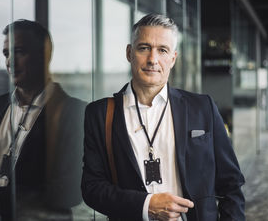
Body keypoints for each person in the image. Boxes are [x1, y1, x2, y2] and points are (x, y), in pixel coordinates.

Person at [81, 13, 245, 221]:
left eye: (162, 50)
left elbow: (231, 185)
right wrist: (146, 205)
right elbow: (92, 188)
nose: (152, 59)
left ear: (173, 58)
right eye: (144, 48)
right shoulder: (100, 114)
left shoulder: (203, 107)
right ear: (129, 53)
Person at [0, 19, 86, 220]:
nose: (10, 61)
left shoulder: (76, 112)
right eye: (6, 53)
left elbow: (72, 190)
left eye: (19, 52)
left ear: (44, 56)